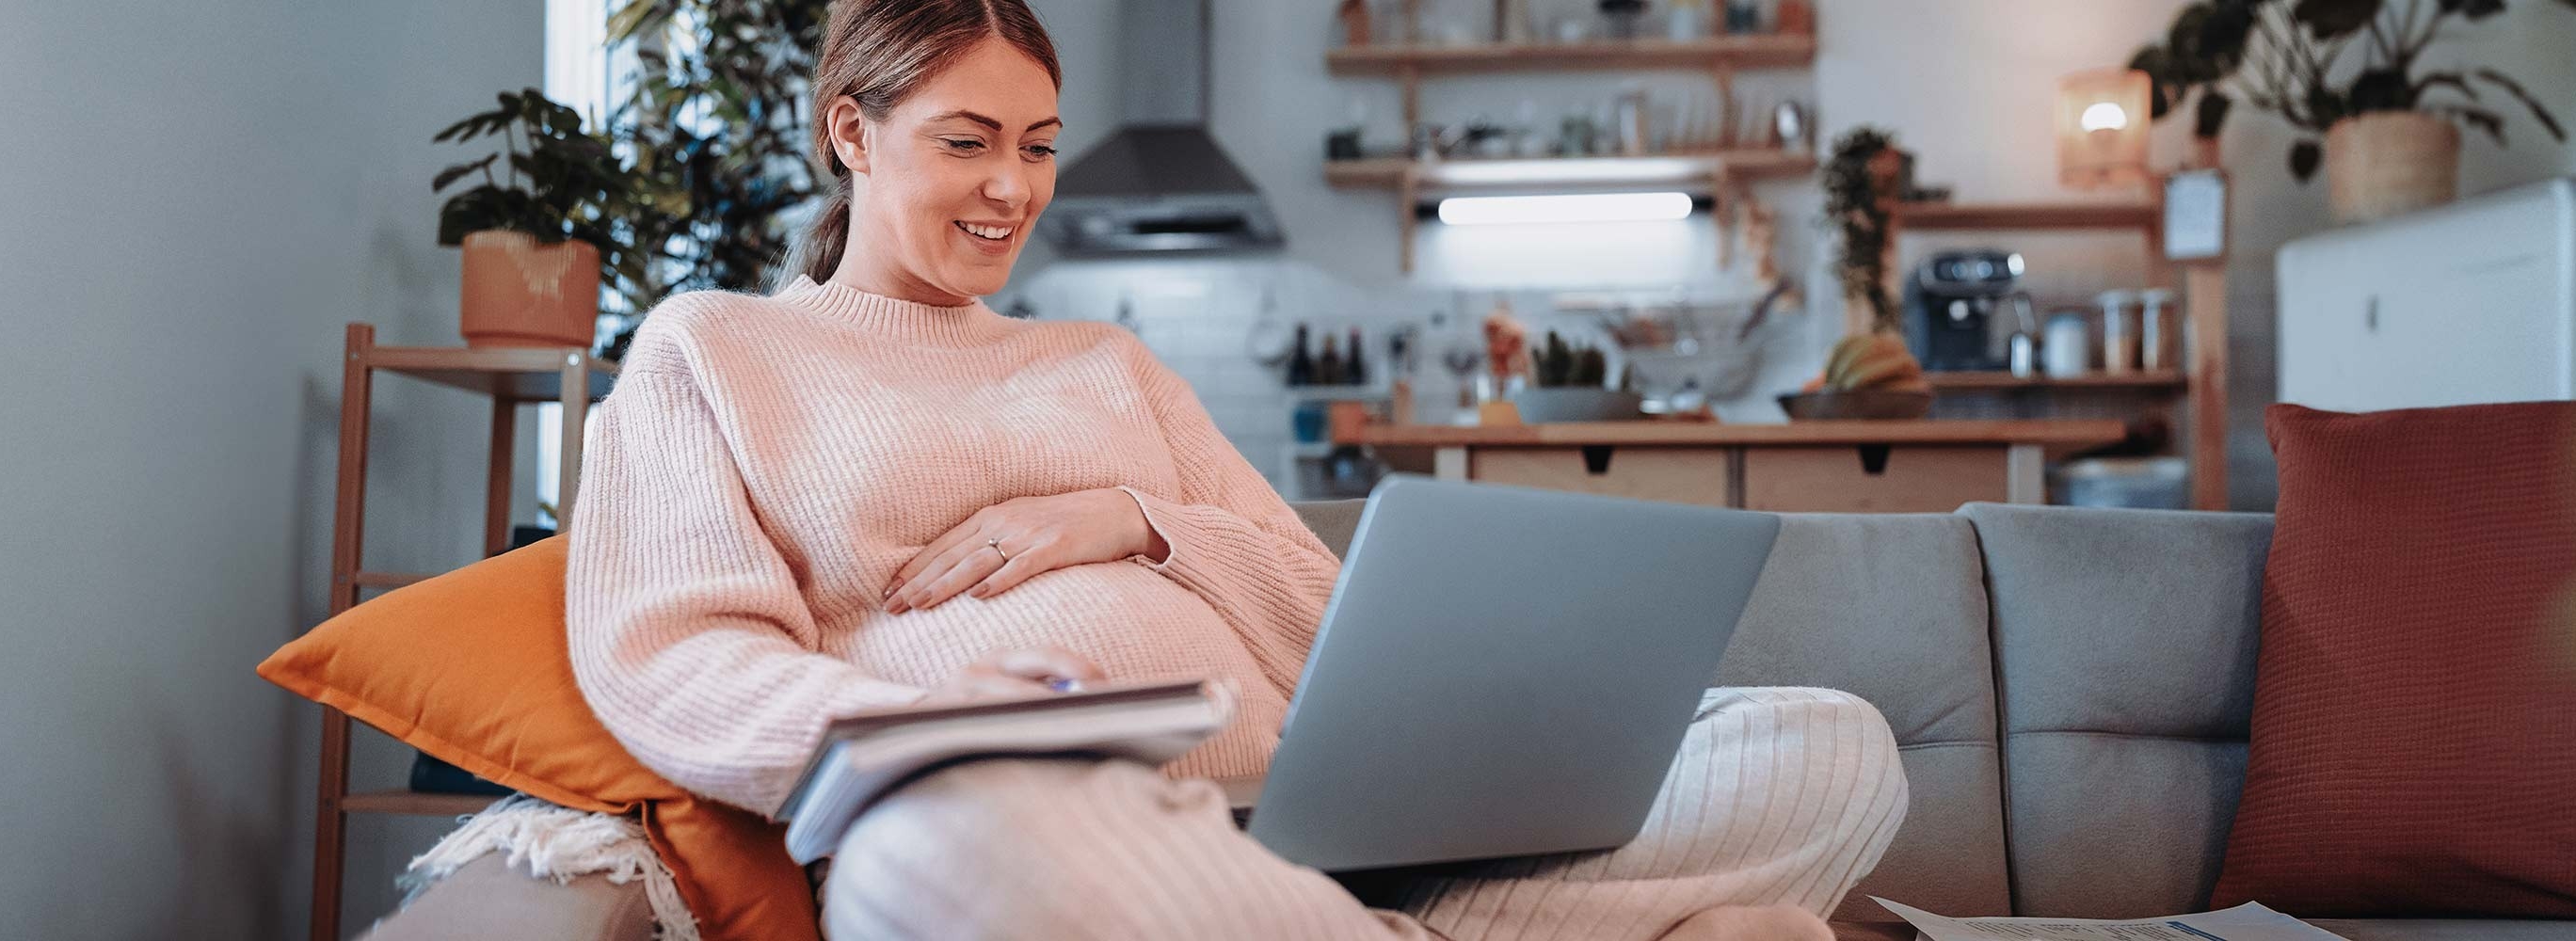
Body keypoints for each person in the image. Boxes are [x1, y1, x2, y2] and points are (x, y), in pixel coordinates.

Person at [389, 1, 1908, 938]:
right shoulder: (711, 351)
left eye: (1041, 147)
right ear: (854, 132)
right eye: (970, 140)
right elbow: (671, 653)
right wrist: (931, 725)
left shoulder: (1108, 367)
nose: (1013, 190)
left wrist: (1134, 523)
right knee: (969, 876)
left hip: (1309, 818)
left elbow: (1326, 615)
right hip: (1020, 809)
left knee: (1833, 743)